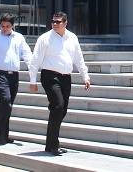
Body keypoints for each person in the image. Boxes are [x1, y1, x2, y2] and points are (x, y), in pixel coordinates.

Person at [29, 12, 90, 156]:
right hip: (49, 76)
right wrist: (32, 81)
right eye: (53, 21)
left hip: (66, 77)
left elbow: (78, 59)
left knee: (61, 110)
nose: (55, 24)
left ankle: (50, 143)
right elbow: (35, 60)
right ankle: (53, 144)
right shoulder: (45, 38)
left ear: (65, 23)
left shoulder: (73, 38)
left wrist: (85, 76)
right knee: (58, 105)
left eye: (58, 22)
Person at [0, 12, 33, 144]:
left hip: (13, 74)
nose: (5, 28)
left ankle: (5, 133)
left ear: (13, 26)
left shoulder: (19, 38)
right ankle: (1, 133)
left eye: (8, 26)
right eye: (2, 26)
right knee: (5, 100)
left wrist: (33, 71)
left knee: (8, 104)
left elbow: (27, 54)